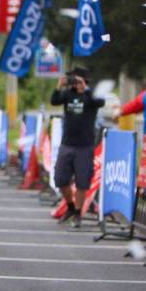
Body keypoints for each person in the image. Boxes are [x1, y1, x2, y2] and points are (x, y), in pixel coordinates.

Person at [50, 66, 105, 228]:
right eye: (72, 79)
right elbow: (54, 101)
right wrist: (59, 85)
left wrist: (85, 89)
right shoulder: (68, 94)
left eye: (76, 79)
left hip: (85, 145)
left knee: (82, 181)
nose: (74, 82)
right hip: (67, 143)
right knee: (60, 178)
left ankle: (79, 213)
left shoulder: (91, 95)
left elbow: (100, 102)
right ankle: (70, 207)